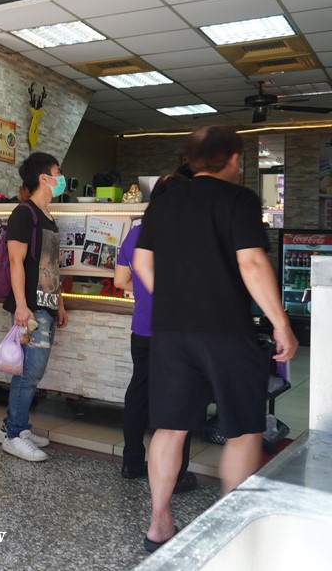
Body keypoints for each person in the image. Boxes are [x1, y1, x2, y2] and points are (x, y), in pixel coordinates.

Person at [133, 125, 298, 553]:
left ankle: (159, 525)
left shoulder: (164, 202)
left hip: (170, 332)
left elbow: (140, 259)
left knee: (170, 428)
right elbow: (252, 265)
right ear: (232, 160)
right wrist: (280, 322)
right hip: (226, 330)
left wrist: (171, 297)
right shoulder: (238, 199)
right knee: (243, 430)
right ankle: (229, 528)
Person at [113, 174, 197, 493]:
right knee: (179, 400)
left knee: (139, 391)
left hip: (144, 328)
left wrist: (147, 292)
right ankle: (176, 473)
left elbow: (121, 280)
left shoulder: (137, 233)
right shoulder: (189, 235)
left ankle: (132, 461)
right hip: (178, 332)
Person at [0, 152, 68, 462]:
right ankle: (13, 435)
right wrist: (22, 306)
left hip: (48, 304)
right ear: (44, 178)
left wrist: (60, 303)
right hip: (32, 307)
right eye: (58, 172)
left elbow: (51, 266)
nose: (61, 177)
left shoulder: (48, 216)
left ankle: (18, 427)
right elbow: (16, 261)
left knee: (32, 371)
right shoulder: (24, 213)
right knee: (28, 373)